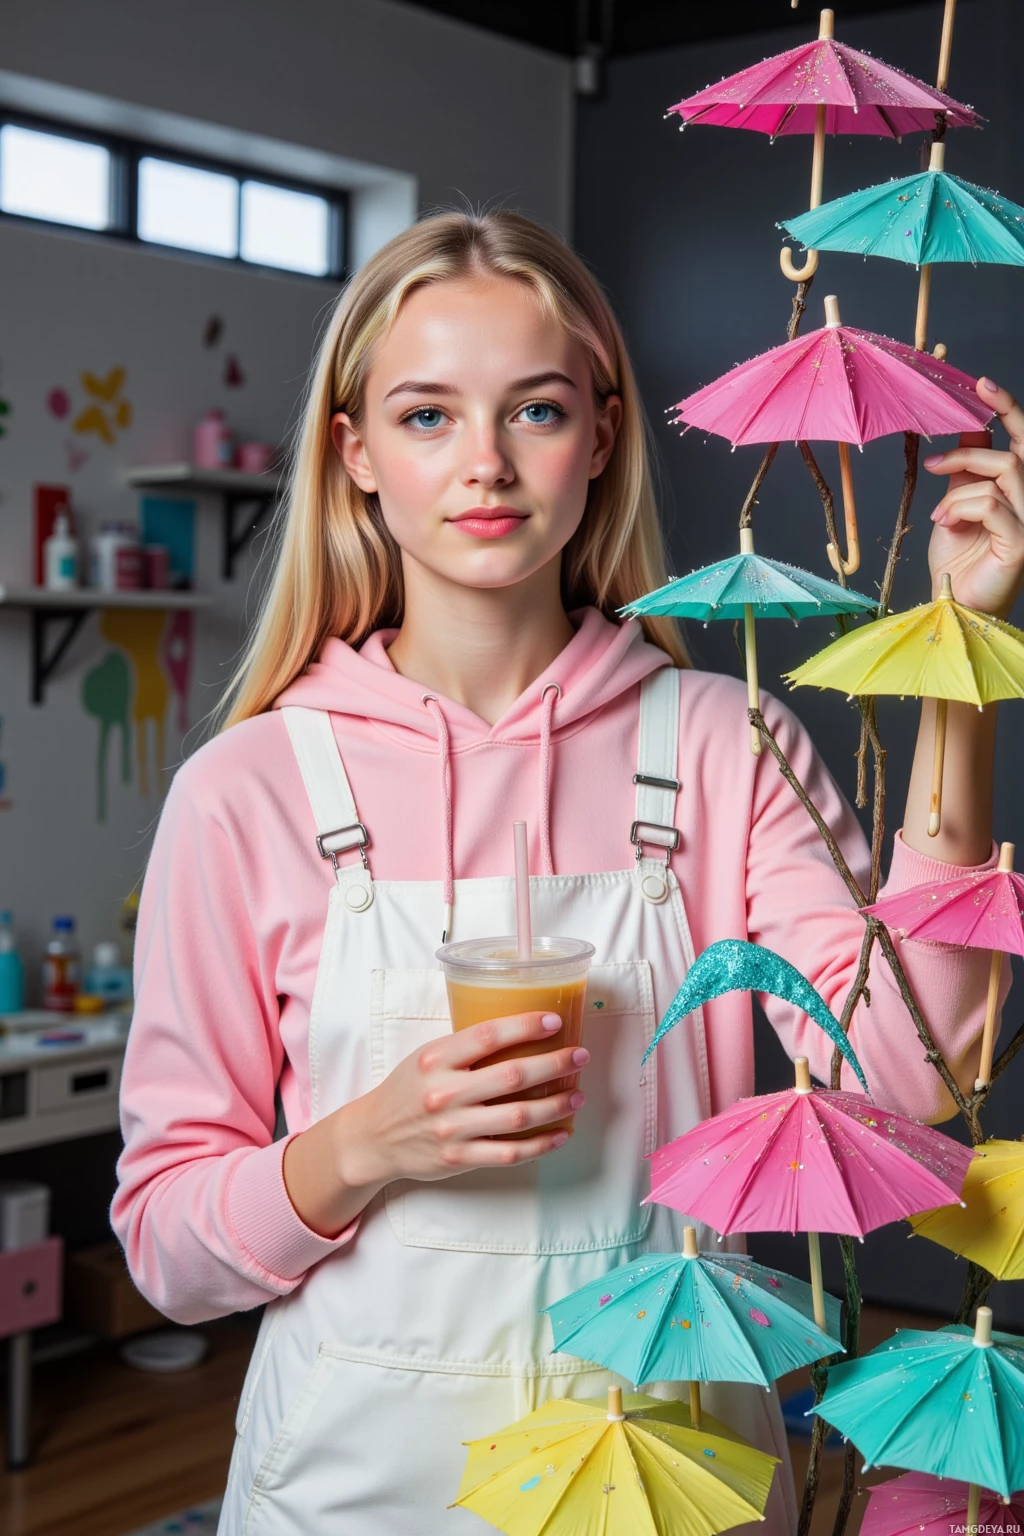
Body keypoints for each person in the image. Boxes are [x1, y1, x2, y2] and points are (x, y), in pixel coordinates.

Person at [112, 210, 1024, 1535]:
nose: (484, 461)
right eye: (428, 416)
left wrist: (955, 660)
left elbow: (908, 1076)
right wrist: (366, 1145)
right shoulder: (247, 792)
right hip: (359, 1496)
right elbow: (168, 1252)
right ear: (355, 454)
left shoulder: (721, 741)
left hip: (682, 1477)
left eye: (534, 410)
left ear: (600, 435)